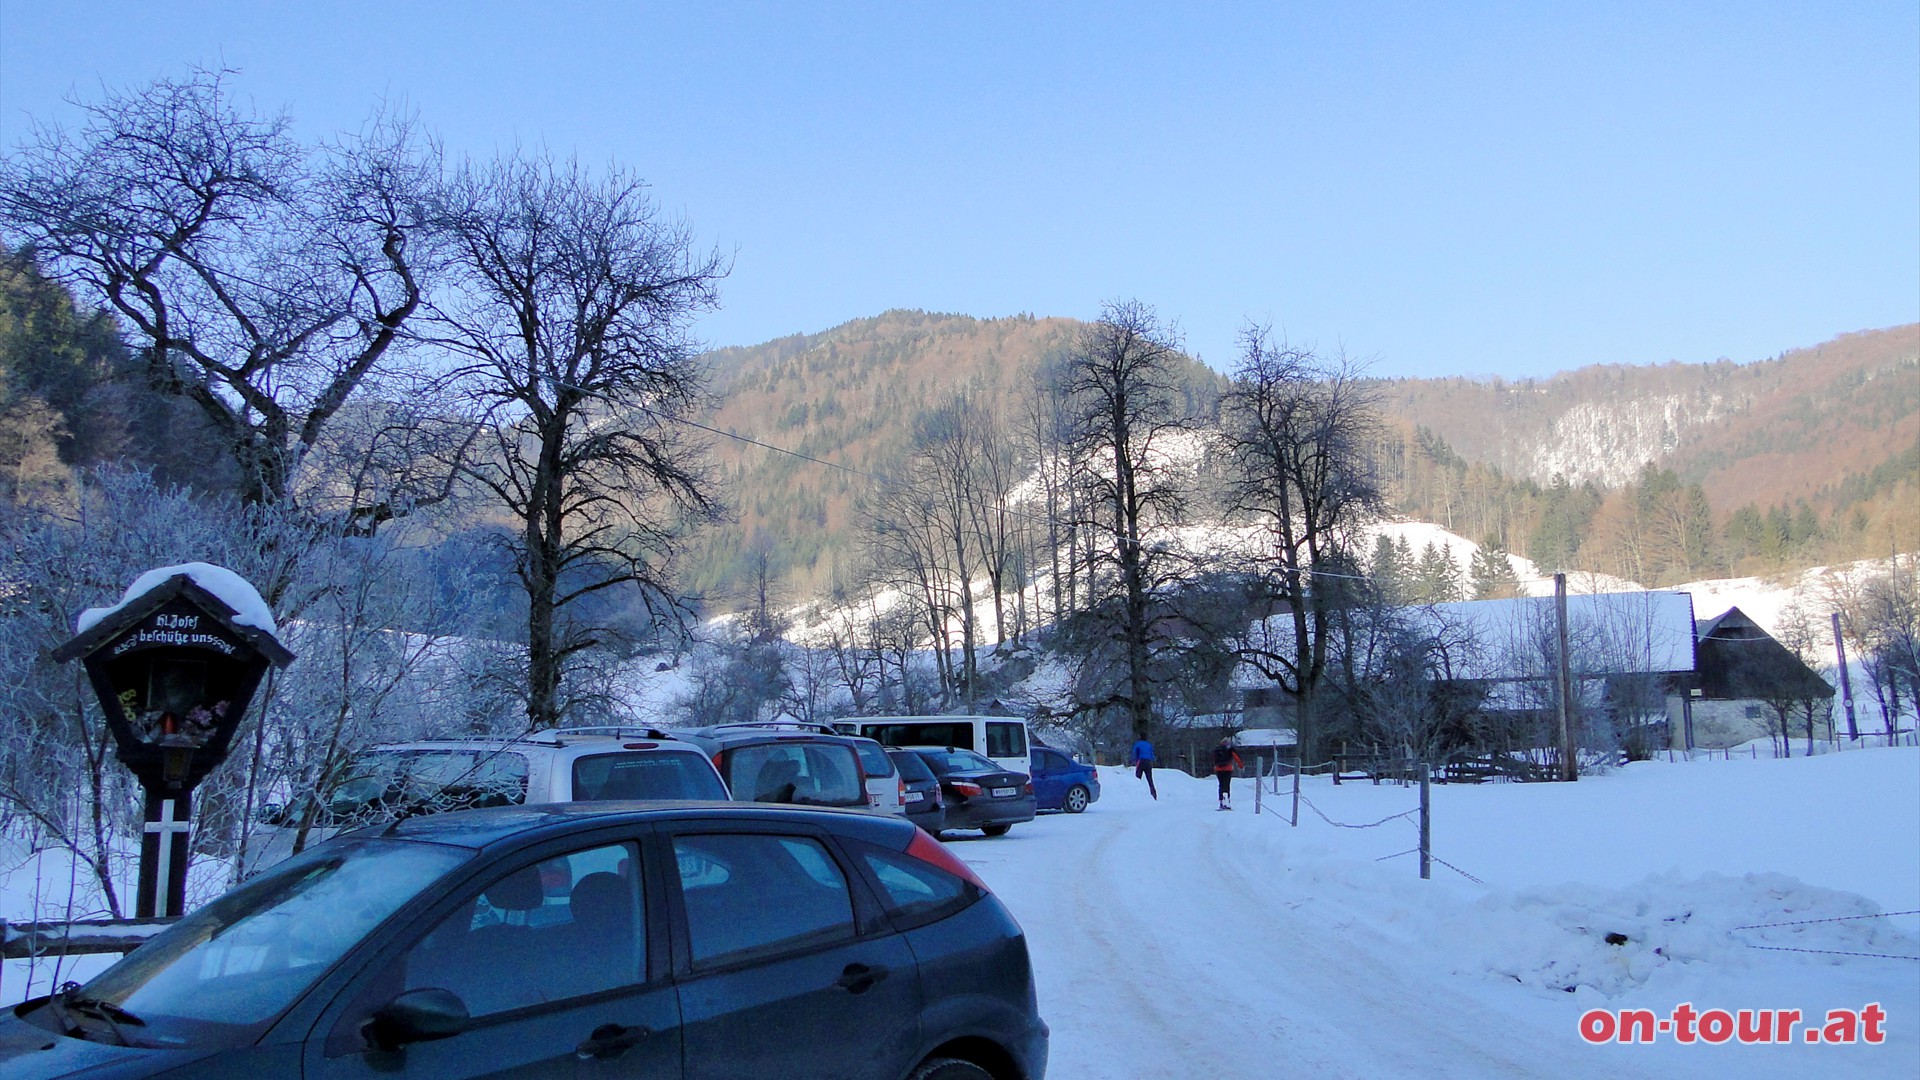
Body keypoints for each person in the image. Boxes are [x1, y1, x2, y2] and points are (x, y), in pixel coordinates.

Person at [1211, 736, 1242, 810]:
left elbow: (1213, 758)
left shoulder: (1217, 749)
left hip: (1219, 769)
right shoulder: (1230, 749)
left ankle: (1221, 802)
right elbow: (1236, 757)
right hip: (1227, 769)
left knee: (1221, 785)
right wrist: (1240, 765)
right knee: (1227, 785)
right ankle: (1227, 802)